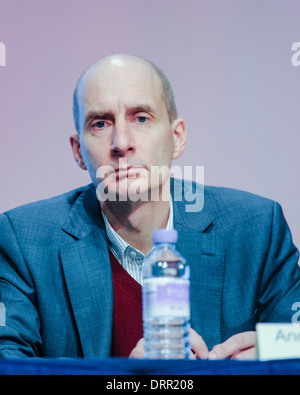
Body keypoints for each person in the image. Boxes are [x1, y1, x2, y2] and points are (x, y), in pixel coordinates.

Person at [0, 54, 299, 360]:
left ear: (176, 137)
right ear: (78, 151)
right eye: (100, 123)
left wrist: (273, 349)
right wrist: (125, 379)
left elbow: (296, 337)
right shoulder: (24, 241)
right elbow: (7, 362)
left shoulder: (255, 227)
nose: (121, 142)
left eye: (141, 118)